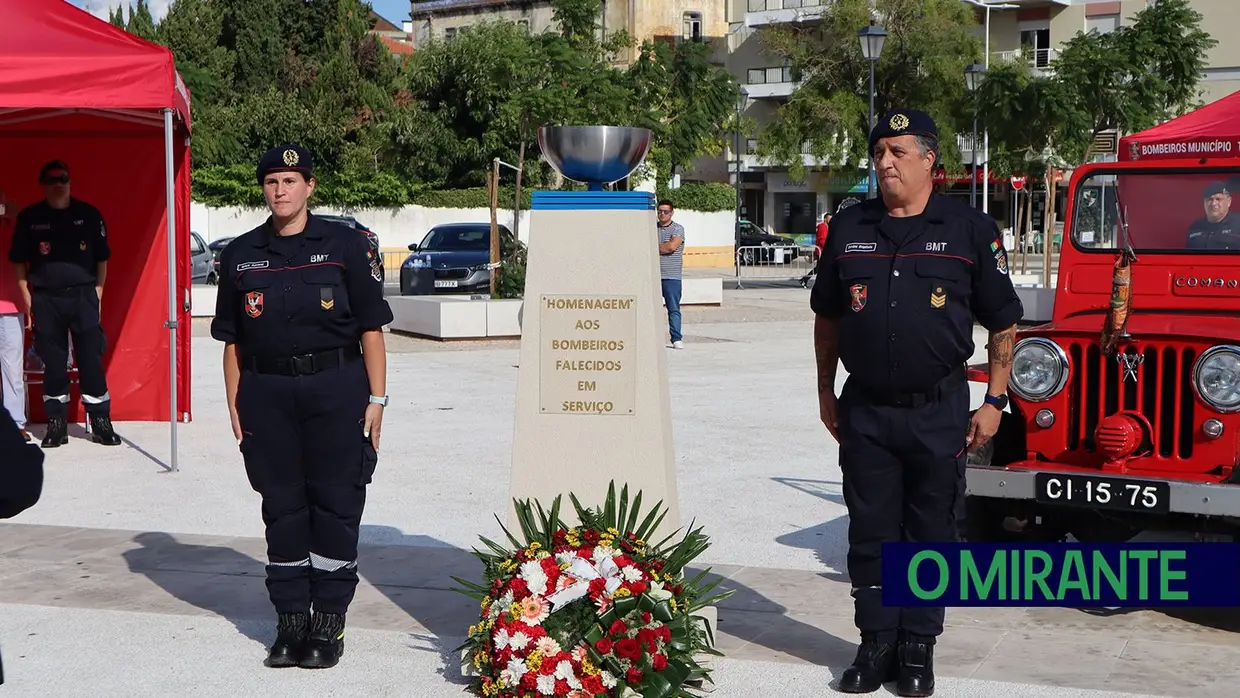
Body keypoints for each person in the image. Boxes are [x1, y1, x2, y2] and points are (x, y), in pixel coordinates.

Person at [810, 109, 1023, 697]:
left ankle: (917, 648)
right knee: (872, 531)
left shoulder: (969, 229)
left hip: (939, 410)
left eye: (898, 152)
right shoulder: (850, 227)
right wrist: (825, 395)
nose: (884, 163)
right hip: (868, 411)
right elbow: (828, 320)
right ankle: (875, 642)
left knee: (932, 531)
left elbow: (1004, 324)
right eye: (879, 152)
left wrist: (995, 401)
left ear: (930, 159)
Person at [211, 143, 393, 670]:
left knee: (336, 505)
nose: (280, 190)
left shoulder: (344, 246)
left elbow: (370, 329)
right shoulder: (240, 254)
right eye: (271, 182)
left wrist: (378, 398)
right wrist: (235, 403)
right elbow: (232, 342)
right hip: (267, 395)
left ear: (310, 186)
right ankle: (290, 620)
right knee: (283, 508)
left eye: (290, 181)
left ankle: (328, 622)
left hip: (336, 389)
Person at [8, 160, 120, 448]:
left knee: (90, 359)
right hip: (46, 298)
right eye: (52, 180)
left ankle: (100, 420)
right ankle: (56, 423)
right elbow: (19, 261)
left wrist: (98, 295)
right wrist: (28, 298)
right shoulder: (31, 218)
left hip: (83, 295)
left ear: (70, 182)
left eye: (63, 179)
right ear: (43, 184)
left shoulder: (89, 215)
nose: (58, 184)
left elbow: (102, 259)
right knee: (54, 362)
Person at [0, 187, 30, 443]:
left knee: (12, 370)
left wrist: (15, 215)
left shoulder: (16, 228)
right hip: (10, 307)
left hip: (11, 307)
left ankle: (15, 423)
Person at [657, 199, 685, 349]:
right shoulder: (651, 228)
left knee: (673, 309)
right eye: (660, 211)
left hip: (671, 276)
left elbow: (671, 247)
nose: (662, 214)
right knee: (650, 309)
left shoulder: (678, 229)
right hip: (653, 276)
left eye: (665, 211)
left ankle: (676, 338)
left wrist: (651, 245)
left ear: (671, 213)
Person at [1185, 181, 1239, 250]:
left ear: (1229, 201)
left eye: (1218, 199)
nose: (1213, 203)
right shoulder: (1195, 227)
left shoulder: (1238, 225)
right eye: (1209, 199)